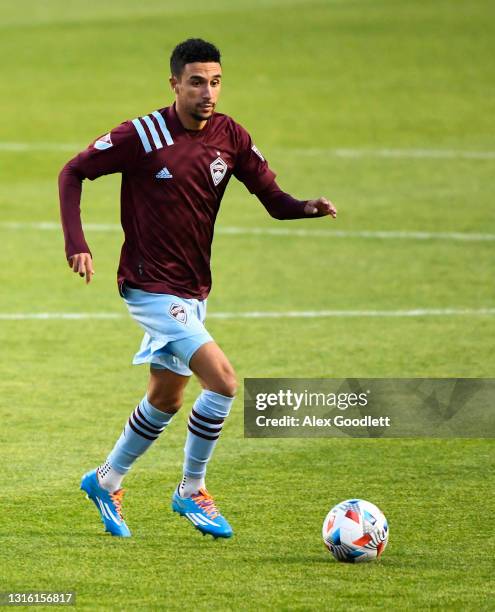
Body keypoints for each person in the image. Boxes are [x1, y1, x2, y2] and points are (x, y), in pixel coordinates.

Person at [59, 38, 337, 539]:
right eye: (196, 82)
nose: (207, 92)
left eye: (215, 82)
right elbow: (72, 171)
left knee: (165, 398)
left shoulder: (231, 136)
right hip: (149, 287)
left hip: (192, 290)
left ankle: (106, 480)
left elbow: (272, 199)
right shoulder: (142, 134)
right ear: (174, 84)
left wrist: (305, 207)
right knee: (224, 382)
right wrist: (76, 243)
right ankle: (191, 490)